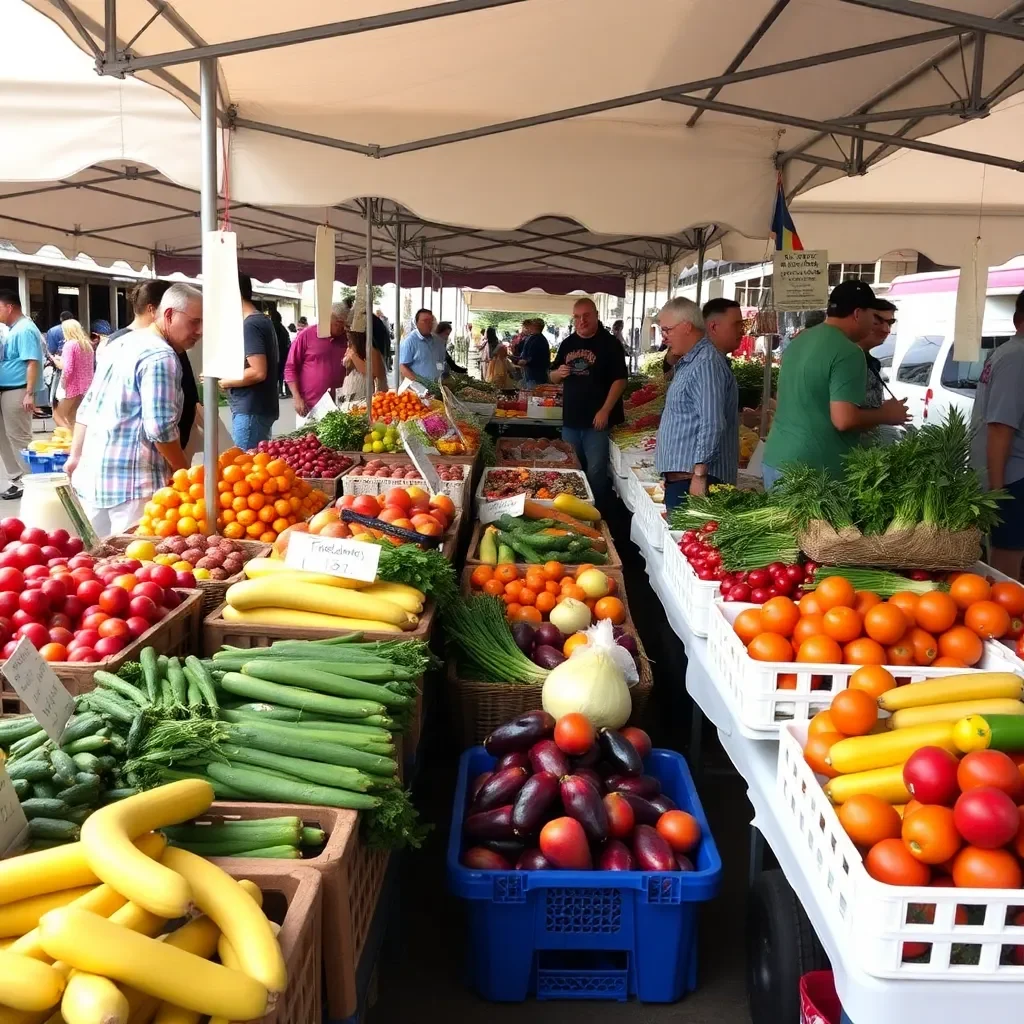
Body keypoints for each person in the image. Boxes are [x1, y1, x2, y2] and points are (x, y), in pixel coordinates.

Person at [65, 284, 201, 534]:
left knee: (95, 564)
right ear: (168, 315)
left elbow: (88, 405)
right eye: (195, 322)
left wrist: (76, 455)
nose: (200, 331)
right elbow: (160, 428)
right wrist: (183, 472)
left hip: (94, 477)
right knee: (133, 565)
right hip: (134, 486)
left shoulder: (120, 344)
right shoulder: (161, 356)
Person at [761, 280, 909, 488]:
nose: (874, 325)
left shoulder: (799, 341)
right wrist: (888, 414)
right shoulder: (848, 352)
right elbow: (843, 419)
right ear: (858, 314)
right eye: (872, 316)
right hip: (811, 470)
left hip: (776, 459)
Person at [655, 298, 741, 512]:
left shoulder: (706, 364)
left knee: (688, 540)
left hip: (697, 482)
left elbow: (712, 422)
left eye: (667, 330)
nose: (663, 338)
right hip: (684, 478)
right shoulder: (690, 360)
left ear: (686, 327)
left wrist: (699, 474)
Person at [550, 297, 628, 502]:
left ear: (596, 316)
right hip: (571, 420)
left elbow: (620, 380)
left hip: (597, 422)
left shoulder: (610, 343)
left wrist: (605, 410)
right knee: (571, 469)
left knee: (596, 471)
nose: (581, 321)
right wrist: (559, 373)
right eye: (577, 317)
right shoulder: (567, 343)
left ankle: (598, 514)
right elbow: (552, 376)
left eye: (586, 316)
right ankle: (575, 512)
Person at [971, 288, 1024, 579]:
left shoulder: (1005, 353)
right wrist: (997, 492)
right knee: (1008, 564)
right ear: (1018, 321)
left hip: (1008, 474)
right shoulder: (1018, 357)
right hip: (1012, 477)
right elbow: (1000, 427)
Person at [219, 274, 279, 449]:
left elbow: (258, 371)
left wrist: (224, 381)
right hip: (255, 409)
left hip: (251, 410)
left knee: (245, 468)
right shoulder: (259, 321)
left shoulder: (250, 325)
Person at [0, 290, 43, 500]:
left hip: (17, 389)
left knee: (19, 438)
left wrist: (29, 393)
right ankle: (17, 479)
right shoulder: (12, 330)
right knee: (5, 438)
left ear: (9, 307)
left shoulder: (24, 329)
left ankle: (30, 480)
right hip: (6, 389)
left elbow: (32, 362)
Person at [283, 302, 348, 421]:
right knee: (308, 439)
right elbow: (290, 368)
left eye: (345, 324)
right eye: (339, 324)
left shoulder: (346, 338)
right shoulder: (306, 335)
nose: (343, 328)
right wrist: (297, 397)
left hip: (338, 405)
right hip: (309, 406)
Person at [340, 282, 388, 401]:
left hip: (367, 394)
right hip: (355, 391)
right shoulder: (354, 344)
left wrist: (353, 356)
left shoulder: (370, 347)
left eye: (348, 329)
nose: (346, 333)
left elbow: (374, 373)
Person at [52, 319, 94, 430]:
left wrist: (57, 362)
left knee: (57, 416)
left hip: (72, 387)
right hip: (85, 387)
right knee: (73, 418)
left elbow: (68, 368)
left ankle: (70, 440)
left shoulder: (69, 345)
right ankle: (77, 443)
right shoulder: (87, 345)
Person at [399, 308, 447, 382]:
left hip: (436, 387)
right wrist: (419, 382)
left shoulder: (437, 341)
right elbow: (403, 367)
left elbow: (439, 361)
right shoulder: (409, 341)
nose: (428, 324)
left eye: (431, 321)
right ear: (417, 323)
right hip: (418, 389)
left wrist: (440, 375)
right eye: (425, 321)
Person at [518, 318, 550, 389]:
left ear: (535, 326)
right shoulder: (533, 337)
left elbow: (537, 357)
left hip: (536, 374)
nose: (530, 327)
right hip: (531, 372)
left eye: (532, 324)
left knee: (534, 393)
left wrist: (526, 361)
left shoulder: (539, 340)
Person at [269, 309, 291, 398]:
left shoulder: (272, 327)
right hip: (284, 354)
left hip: (275, 354)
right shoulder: (283, 328)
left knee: (274, 374)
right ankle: (281, 391)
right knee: (281, 373)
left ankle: (276, 391)